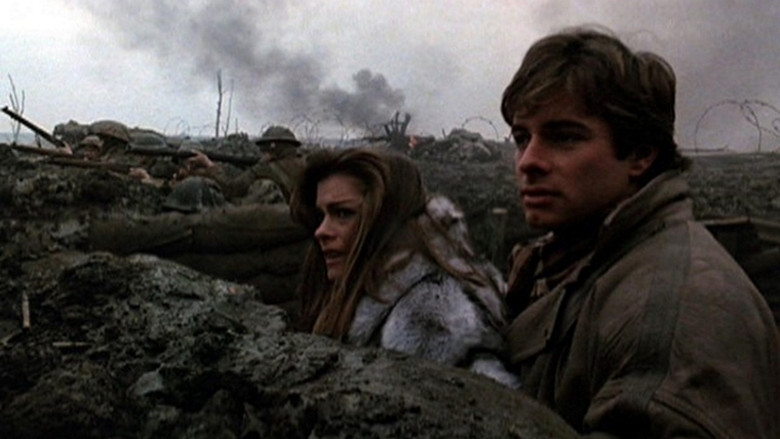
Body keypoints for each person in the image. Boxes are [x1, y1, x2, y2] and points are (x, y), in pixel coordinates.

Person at [500, 27, 780, 438]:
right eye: (522, 138)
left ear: (641, 154)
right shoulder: (591, 260)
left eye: (564, 138)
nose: (528, 161)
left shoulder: (675, 310)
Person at [289, 147, 519, 388]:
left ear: (385, 219)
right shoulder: (360, 293)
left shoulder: (431, 315)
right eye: (322, 215)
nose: (322, 231)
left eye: (343, 213)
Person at [181, 125, 306, 205]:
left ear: (272, 147)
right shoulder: (306, 164)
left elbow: (232, 189)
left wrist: (209, 165)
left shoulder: (266, 168)